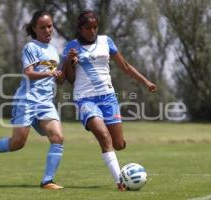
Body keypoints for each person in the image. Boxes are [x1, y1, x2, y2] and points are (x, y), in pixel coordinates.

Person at [62, 10, 157, 191]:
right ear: (80, 29)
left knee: (118, 144)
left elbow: (125, 66)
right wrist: (69, 62)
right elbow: (70, 79)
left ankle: (116, 153)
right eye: (88, 28)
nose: (92, 31)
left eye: (95, 27)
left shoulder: (106, 42)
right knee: (104, 137)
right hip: (85, 99)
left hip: (108, 98)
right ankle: (120, 181)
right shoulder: (71, 47)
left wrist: (146, 81)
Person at [0, 10, 65, 190]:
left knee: (58, 137)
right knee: (17, 143)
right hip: (27, 100)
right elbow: (28, 73)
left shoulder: (54, 51)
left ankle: (47, 180)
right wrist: (50, 72)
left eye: (50, 26)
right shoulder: (31, 47)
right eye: (43, 27)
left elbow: (59, 80)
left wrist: (66, 68)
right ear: (35, 29)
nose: (48, 30)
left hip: (45, 103)